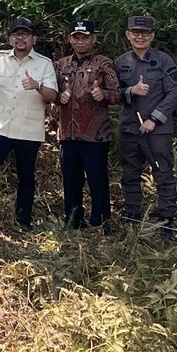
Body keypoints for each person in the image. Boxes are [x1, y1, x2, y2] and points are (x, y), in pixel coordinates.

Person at [0, 17, 57, 232]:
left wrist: (36, 85)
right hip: (0, 126)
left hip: (28, 128)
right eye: (16, 34)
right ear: (10, 39)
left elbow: (52, 95)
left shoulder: (44, 63)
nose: (20, 38)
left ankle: (23, 221)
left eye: (25, 34)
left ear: (34, 39)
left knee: (25, 176)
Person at [53, 19, 119, 230]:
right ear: (70, 39)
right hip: (67, 133)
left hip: (96, 134)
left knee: (97, 178)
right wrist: (58, 97)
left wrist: (104, 94)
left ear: (94, 39)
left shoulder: (104, 63)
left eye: (85, 37)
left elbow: (118, 94)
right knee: (71, 180)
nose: (81, 41)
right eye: (76, 37)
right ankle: (73, 220)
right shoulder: (60, 65)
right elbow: (49, 92)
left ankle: (101, 221)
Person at [115, 15, 177, 237]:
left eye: (145, 33)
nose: (140, 37)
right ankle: (132, 219)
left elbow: (173, 93)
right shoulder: (121, 62)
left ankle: (167, 223)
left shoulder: (164, 60)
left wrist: (154, 119)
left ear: (152, 36)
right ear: (128, 35)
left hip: (158, 131)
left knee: (163, 175)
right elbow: (113, 94)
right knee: (130, 175)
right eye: (135, 32)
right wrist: (131, 91)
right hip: (129, 129)